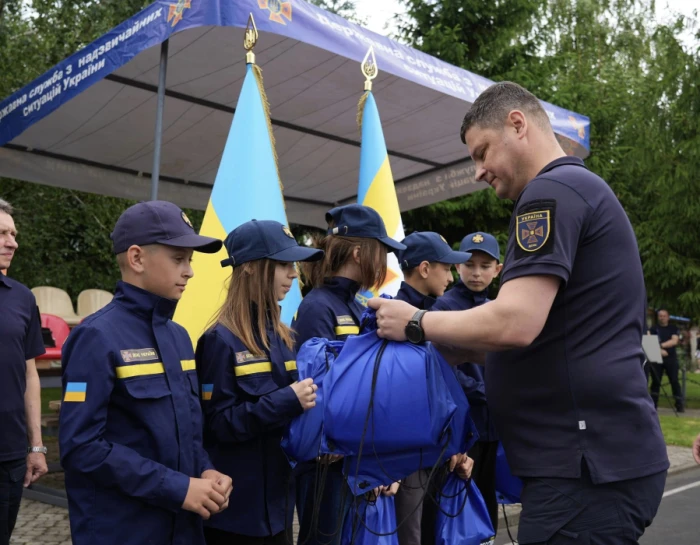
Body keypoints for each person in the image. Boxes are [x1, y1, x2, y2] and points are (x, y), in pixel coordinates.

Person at [368, 82, 669, 544]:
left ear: (517, 124)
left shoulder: (550, 191)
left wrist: (415, 322)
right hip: (591, 463)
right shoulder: (573, 188)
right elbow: (554, 340)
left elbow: (515, 322)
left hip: (585, 469)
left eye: (482, 151)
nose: (478, 171)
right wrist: (453, 345)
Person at [59, 201, 233, 545]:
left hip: (182, 528)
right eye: (178, 259)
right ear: (137, 258)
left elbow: (187, 428)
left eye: (191, 261)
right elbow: (80, 447)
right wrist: (178, 487)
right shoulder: (96, 336)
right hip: (123, 528)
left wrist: (205, 469)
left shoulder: (179, 337)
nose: (190, 272)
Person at [195, 220, 323, 545]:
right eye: (283, 264)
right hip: (237, 515)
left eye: (293, 265)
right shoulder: (219, 341)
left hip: (279, 507)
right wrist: (287, 400)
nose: (293, 274)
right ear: (251, 268)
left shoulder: (284, 336)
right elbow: (217, 426)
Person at [292, 204, 405, 545]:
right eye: (382, 252)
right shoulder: (317, 306)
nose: (385, 263)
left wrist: (379, 460)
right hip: (327, 465)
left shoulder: (359, 306)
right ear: (358, 252)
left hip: (358, 460)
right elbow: (319, 388)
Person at [392, 231, 474, 545]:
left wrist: (454, 446)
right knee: (410, 537)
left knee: (433, 535)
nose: (453, 276)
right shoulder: (394, 317)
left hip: (438, 452)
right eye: (447, 267)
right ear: (425, 269)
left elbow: (445, 387)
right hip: (409, 456)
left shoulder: (433, 317)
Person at [431, 231, 503, 532]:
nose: (476, 273)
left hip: (494, 424)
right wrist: (484, 391)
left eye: (485, 266)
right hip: (462, 426)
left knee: (488, 501)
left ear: (498, 269)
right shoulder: (444, 307)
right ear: (458, 266)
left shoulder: (500, 309)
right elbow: (440, 367)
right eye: (470, 265)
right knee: (457, 506)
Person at [0, 198, 47, 545]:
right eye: (2, 233)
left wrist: (37, 445)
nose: (13, 242)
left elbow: (31, 374)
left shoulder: (22, 298)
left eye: (13, 234)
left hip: (10, 452)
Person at [649, 309, 683, 412]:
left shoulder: (673, 328)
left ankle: (679, 404)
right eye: (660, 316)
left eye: (664, 316)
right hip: (656, 357)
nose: (662, 317)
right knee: (655, 382)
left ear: (668, 317)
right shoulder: (653, 328)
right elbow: (649, 341)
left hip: (670, 358)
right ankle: (653, 405)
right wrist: (659, 351)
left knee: (674, 381)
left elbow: (674, 341)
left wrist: (659, 346)